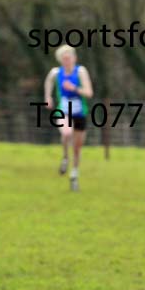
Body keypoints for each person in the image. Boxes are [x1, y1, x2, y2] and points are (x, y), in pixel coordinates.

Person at [44, 45, 93, 191]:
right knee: (66, 132)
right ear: (60, 60)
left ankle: (74, 174)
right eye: (64, 59)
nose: (67, 61)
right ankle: (65, 157)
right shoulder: (55, 72)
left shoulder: (81, 71)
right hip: (64, 110)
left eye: (69, 58)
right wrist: (47, 96)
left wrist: (75, 89)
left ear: (74, 58)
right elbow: (48, 82)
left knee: (77, 148)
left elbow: (89, 92)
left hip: (80, 112)